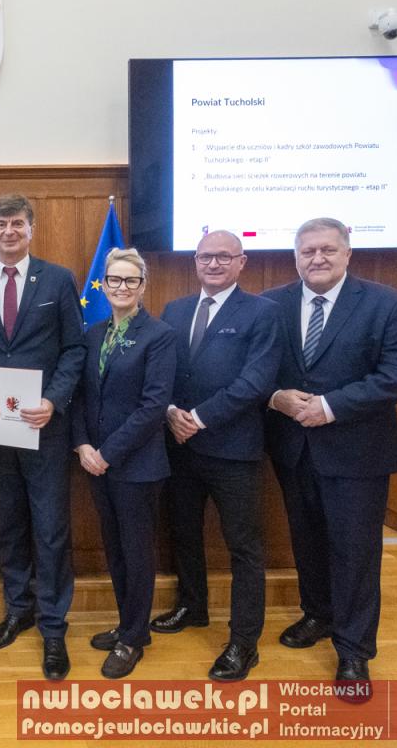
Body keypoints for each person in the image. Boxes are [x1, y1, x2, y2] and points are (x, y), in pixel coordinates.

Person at [264, 217, 397, 684]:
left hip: (358, 454)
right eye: (308, 251)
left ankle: (354, 650)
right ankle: (318, 614)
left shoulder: (385, 303)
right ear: (296, 257)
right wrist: (275, 397)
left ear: (347, 253)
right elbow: (255, 368)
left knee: (355, 552)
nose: (317, 258)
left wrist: (330, 406)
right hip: (293, 449)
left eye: (328, 250)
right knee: (307, 541)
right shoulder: (271, 304)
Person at [153, 230, 281, 682]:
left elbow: (256, 382)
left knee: (243, 547)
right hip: (180, 447)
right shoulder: (175, 309)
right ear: (195, 261)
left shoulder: (263, 312)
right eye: (206, 256)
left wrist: (199, 418)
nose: (213, 263)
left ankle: (244, 642)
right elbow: (162, 373)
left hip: (233, 451)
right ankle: (192, 606)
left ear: (241, 262)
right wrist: (171, 412)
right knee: (184, 532)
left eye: (224, 257)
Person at [0, 194, 84, 680]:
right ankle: (19, 609)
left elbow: (75, 349)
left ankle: (53, 625)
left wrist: (54, 400)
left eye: (17, 223)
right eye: (1, 224)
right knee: (10, 520)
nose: (9, 231)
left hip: (44, 425)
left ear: (31, 229)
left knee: (51, 526)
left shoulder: (57, 279)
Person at [72, 247, 176, 679]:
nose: (121, 287)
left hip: (136, 467)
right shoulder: (93, 332)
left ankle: (134, 637)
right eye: (113, 279)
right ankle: (126, 623)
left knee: (136, 554)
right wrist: (82, 445)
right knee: (114, 550)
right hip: (95, 463)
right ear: (104, 284)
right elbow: (81, 395)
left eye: (130, 280)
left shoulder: (160, 335)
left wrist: (107, 454)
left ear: (143, 286)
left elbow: (153, 406)